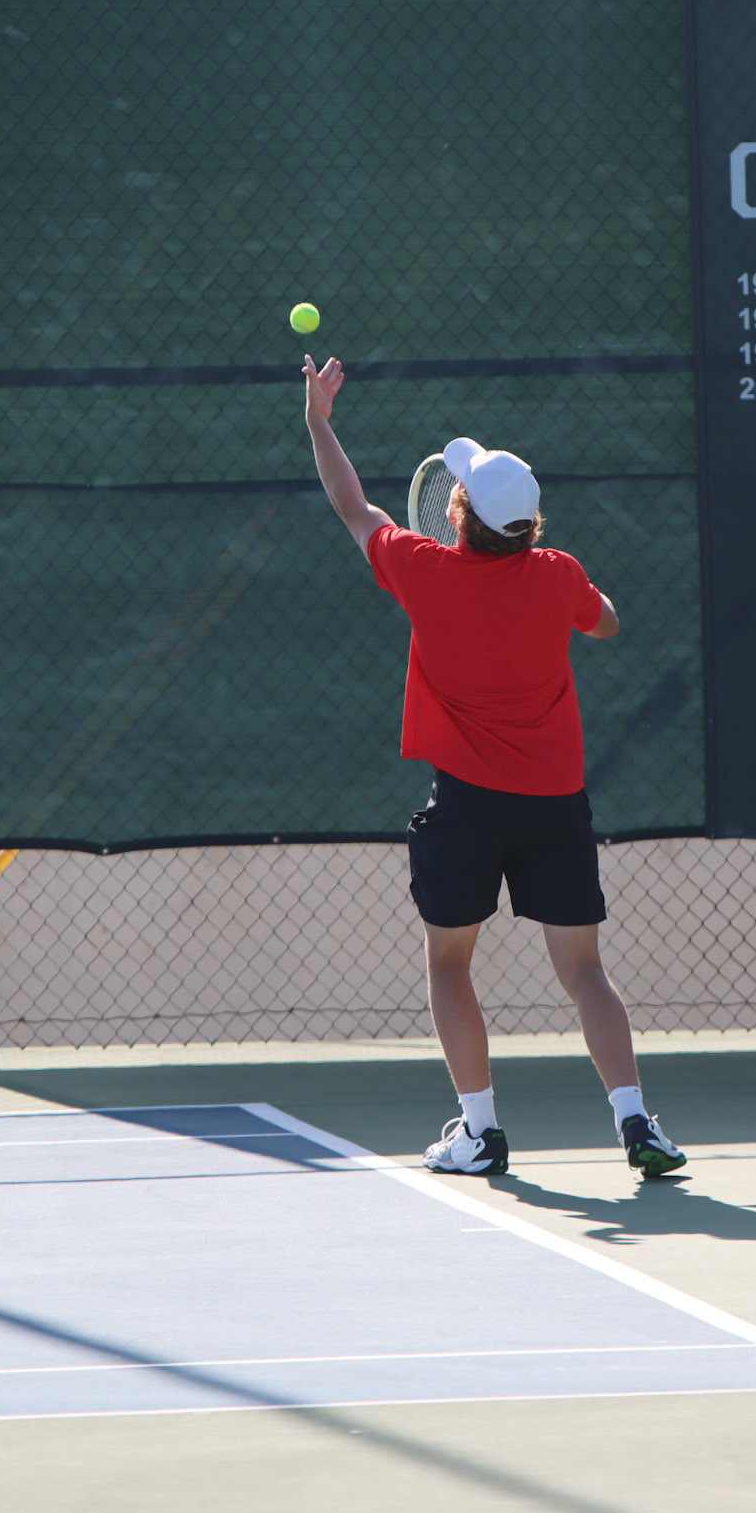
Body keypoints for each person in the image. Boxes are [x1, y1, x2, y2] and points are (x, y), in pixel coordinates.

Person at [302, 350, 686, 1181]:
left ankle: (480, 1133)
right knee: (584, 970)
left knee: (448, 963)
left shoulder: (422, 569)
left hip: (467, 807)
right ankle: (634, 1121)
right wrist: (564, 591)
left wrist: (318, 422)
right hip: (554, 805)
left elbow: (351, 505)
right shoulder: (557, 574)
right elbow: (606, 622)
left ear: (459, 511)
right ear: (529, 523)